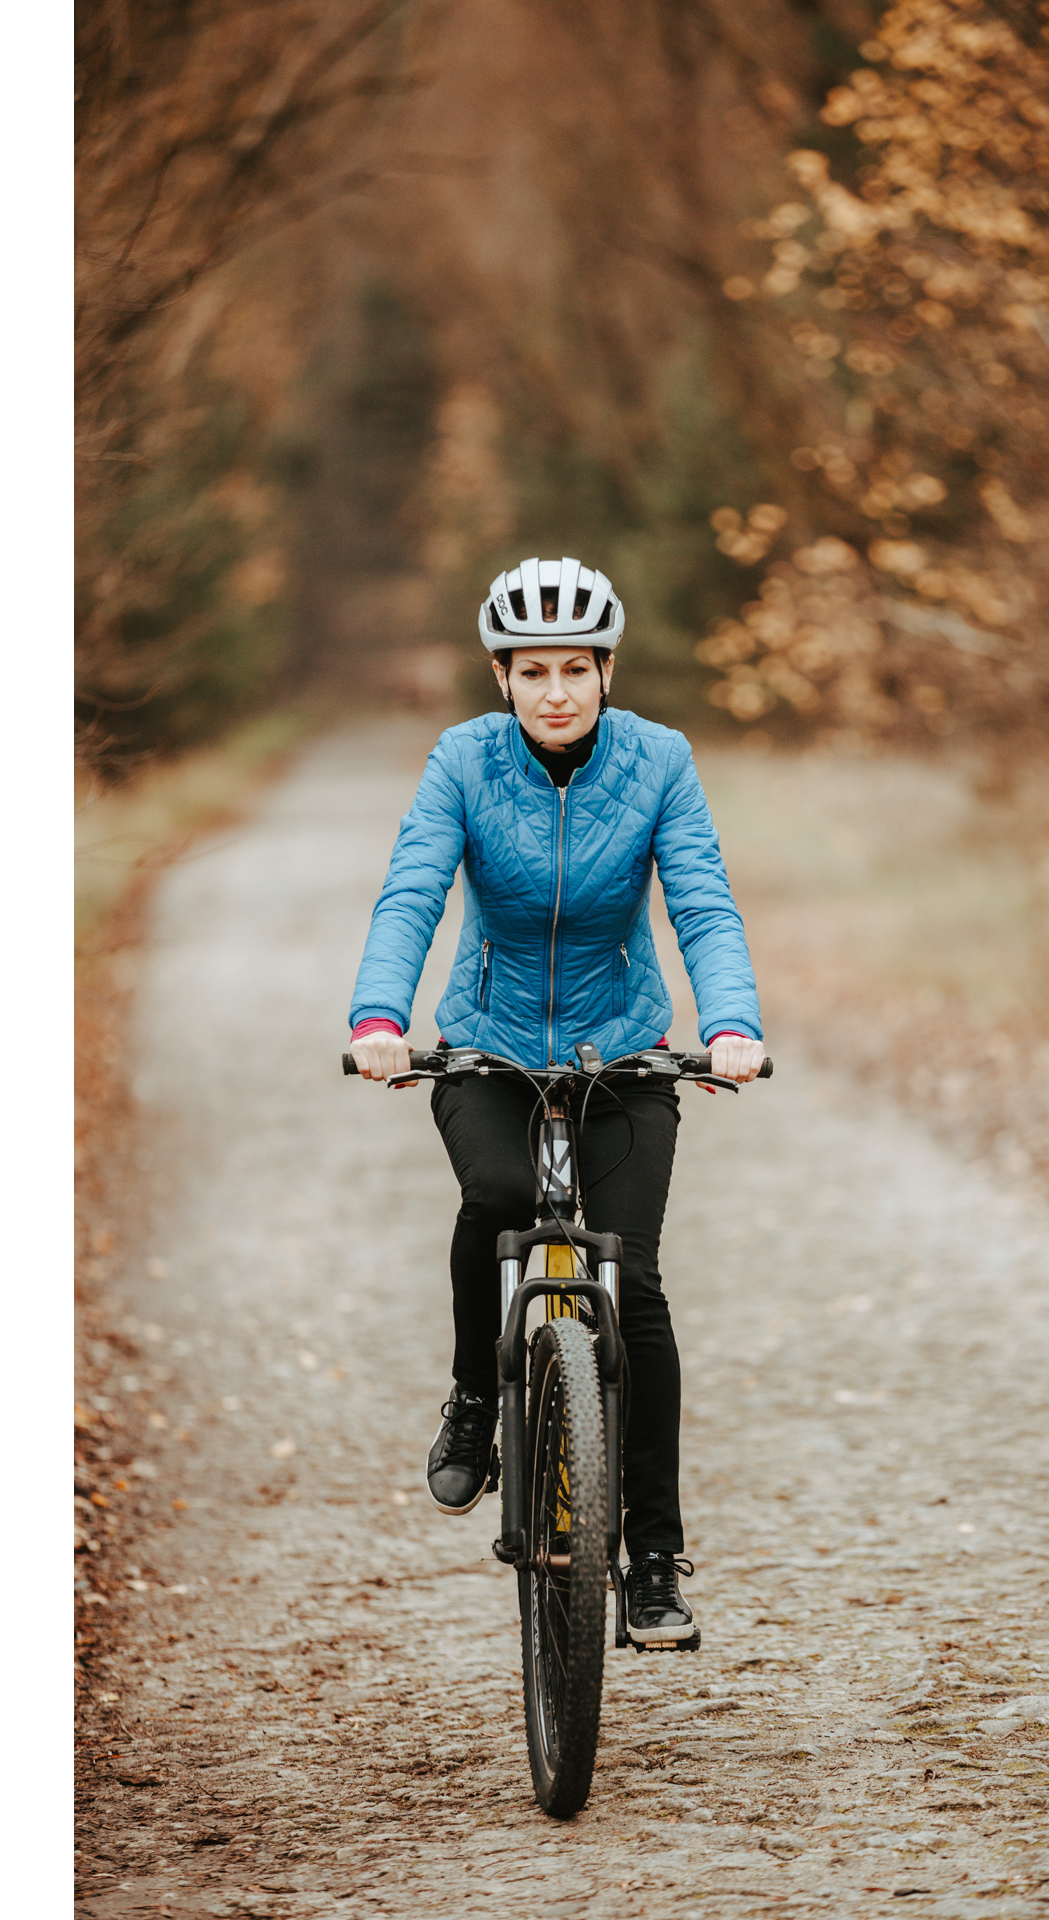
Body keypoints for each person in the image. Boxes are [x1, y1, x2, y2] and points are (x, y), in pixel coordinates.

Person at [348, 555, 766, 1644]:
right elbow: (412, 892)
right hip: (489, 1050)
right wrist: (378, 1022)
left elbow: (704, 906)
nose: (556, 692)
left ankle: (658, 1560)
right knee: (494, 1196)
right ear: (502, 677)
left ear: (606, 668)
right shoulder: (463, 763)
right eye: (532, 670)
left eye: (575, 667)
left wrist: (732, 1027)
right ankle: (477, 1402)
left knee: (634, 1284)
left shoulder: (660, 763)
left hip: (621, 1052)